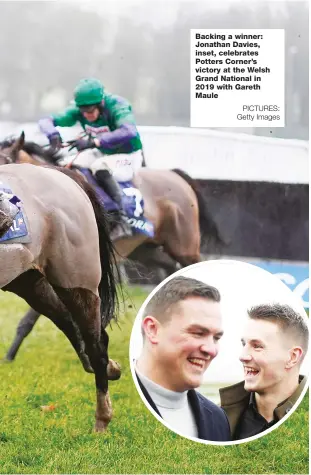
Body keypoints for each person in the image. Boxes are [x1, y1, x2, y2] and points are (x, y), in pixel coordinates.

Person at [38, 77, 144, 237]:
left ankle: (122, 220)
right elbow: (46, 120)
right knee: (64, 164)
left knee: (99, 166)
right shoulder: (79, 110)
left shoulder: (117, 106)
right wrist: (52, 133)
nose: (87, 115)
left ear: (101, 104)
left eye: (91, 111)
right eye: (83, 111)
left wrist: (95, 141)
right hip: (102, 152)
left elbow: (129, 131)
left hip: (128, 155)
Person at [135, 276, 231, 442]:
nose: (211, 349)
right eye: (198, 333)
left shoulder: (218, 420)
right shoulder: (111, 403)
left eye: (216, 338)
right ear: (153, 330)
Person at [220, 303, 309, 440]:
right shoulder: (214, 418)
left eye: (257, 346)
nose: (242, 356)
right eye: (244, 344)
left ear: (292, 357)